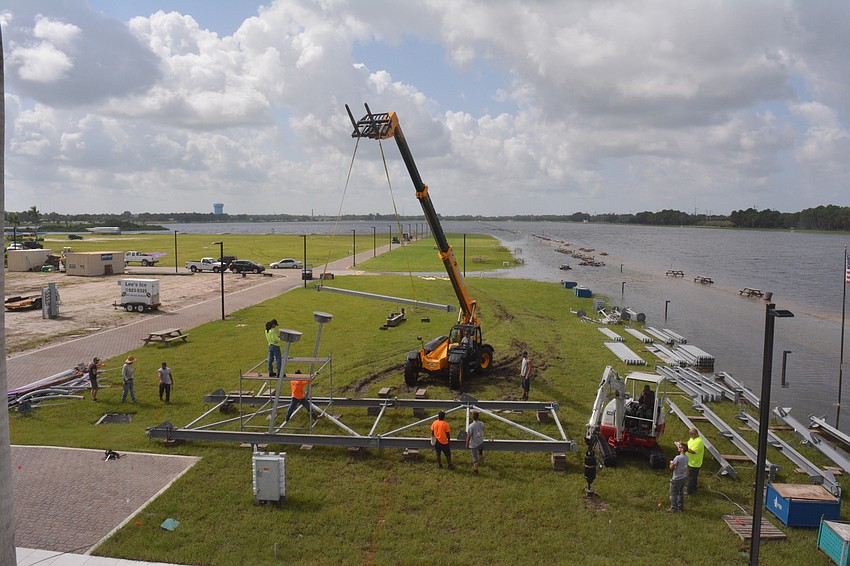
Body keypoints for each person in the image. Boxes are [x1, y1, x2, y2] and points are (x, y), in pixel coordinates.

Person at [668, 441, 689, 512]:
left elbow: (671, 467)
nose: (678, 448)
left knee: (673, 494)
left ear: (682, 449)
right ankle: (681, 507)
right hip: (683, 477)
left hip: (676, 478)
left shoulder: (678, 457)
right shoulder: (687, 457)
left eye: (679, 447)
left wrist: (671, 463)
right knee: (681, 493)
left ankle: (673, 508)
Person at [686, 427, 705, 494]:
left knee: (690, 477)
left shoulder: (698, 442)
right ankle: (694, 488)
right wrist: (683, 444)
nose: (690, 435)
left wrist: (684, 449)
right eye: (690, 434)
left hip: (694, 463)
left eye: (692, 434)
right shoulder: (692, 439)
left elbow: (692, 451)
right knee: (693, 477)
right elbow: (688, 444)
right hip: (690, 461)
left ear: (695, 434)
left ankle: (689, 491)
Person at [465, 410, 485, 475]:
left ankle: (476, 471)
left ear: (472, 417)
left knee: (475, 458)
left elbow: (469, 436)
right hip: (480, 441)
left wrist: (467, 444)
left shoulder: (471, 426)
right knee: (480, 448)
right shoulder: (482, 424)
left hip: (474, 444)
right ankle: (481, 454)